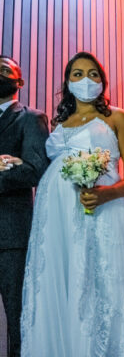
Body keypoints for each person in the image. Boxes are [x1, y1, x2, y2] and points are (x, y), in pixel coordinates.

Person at [21, 52, 124, 356]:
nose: (86, 80)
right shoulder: (59, 121)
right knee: (63, 279)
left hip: (104, 211)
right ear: (68, 82)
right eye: (78, 74)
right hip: (56, 215)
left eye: (93, 74)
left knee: (103, 282)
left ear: (103, 80)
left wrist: (106, 193)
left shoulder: (117, 117)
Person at [0, 55, 49, 357]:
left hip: (11, 236)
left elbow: (36, 169)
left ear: (20, 81)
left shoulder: (31, 118)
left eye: (5, 70)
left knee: (18, 317)